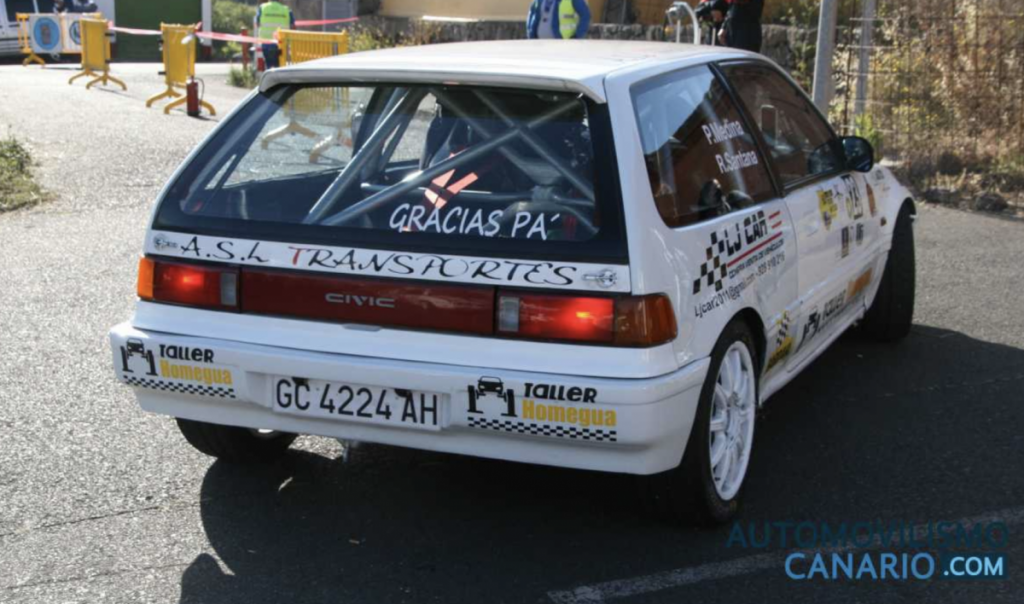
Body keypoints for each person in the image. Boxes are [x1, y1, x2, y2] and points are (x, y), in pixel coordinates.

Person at [256, 0, 295, 69]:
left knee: (270, 67)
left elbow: (258, 24)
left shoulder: (262, 8)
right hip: (282, 44)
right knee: (282, 67)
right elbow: (293, 27)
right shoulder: (287, 10)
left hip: (267, 43)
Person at [526, 0, 591, 40]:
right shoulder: (538, 1)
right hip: (540, 43)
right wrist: (530, 34)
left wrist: (577, 36)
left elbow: (585, 15)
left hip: (563, 44)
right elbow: (531, 16)